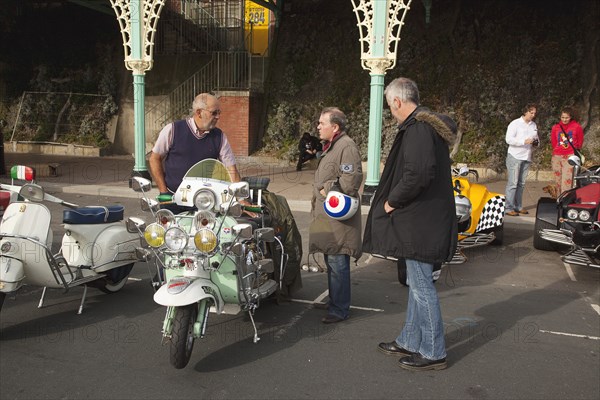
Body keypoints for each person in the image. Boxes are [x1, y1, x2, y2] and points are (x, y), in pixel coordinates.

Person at [363, 77, 457, 371]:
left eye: (390, 105)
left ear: (397, 102)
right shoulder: (426, 128)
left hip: (420, 222)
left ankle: (433, 351)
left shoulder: (418, 129)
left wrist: (391, 202)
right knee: (419, 286)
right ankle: (409, 340)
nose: (391, 110)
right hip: (425, 220)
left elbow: (417, 175)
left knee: (421, 288)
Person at [308, 107, 363, 324]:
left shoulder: (346, 146)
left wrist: (326, 189)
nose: (318, 126)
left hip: (338, 217)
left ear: (335, 127)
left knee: (338, 260)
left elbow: (351, 180)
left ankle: (339, 309)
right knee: (332, 258)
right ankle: (335, 302)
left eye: (322, 123)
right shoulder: (333, 146)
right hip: (329, 216)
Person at [148, 93, 242, 202]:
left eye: (219, 112)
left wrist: (240, 198)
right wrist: (163, 191)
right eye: (214, 113)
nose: (218, 117)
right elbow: (154, 158)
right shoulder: (172, 130)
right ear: (199, 112)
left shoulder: (219, 136)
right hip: (172, 198)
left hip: (205, 201)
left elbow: (231, 169)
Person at [504, 103, 539, 216]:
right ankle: (508, 208)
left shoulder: (533, 125)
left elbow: (536, 139)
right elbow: (508, 139)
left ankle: (518, 206)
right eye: (531, 112)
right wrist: (523, 141)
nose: (533, 115)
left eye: (534, 113)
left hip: (527, 156)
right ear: (525, 112)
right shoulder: (515, 124)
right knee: (513, 183)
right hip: (515, 156)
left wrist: (536, 143)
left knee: (521, 184)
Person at [549, 107, 584, 196]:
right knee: (558, 179)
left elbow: (580, 141)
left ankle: (565, 199)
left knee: (567, 180)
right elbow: (553, 141)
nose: (564, 120)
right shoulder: (556, 127)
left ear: (571, 117)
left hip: (569, 155)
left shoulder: (577, 127)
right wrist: (557, 150)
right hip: (557, 156)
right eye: (563, 117)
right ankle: (558, 198)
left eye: (567, 118)